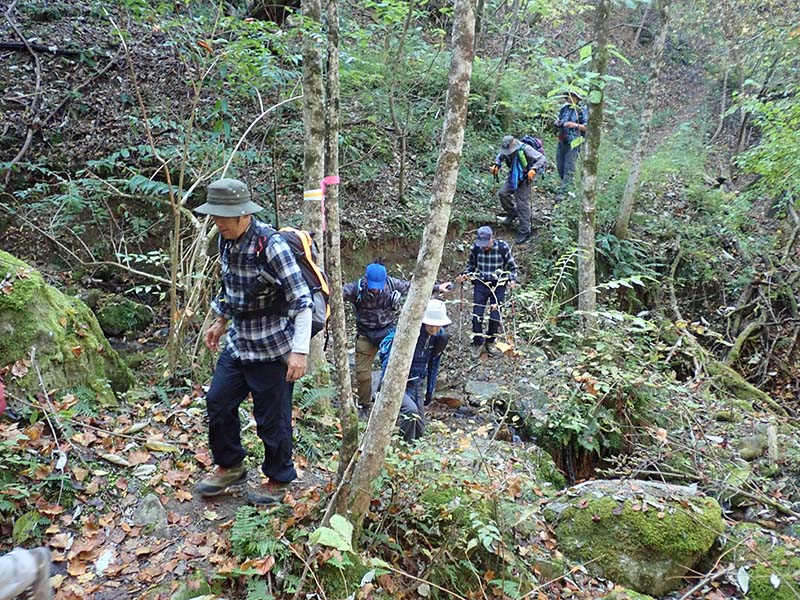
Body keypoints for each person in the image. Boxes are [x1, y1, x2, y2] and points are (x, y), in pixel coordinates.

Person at [193, 178, 313, 505]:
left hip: (273, 348)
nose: (217, 223)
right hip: (239, 343)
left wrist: (299, 353)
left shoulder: (271, 246)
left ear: (244, 214)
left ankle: (279, 479)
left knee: (271, 420)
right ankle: (230, 466)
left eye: (223, 217)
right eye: (214, 216)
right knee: (218, 402)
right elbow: (231, 286)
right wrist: (220, 320)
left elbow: (302, 300)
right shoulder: (226, 240)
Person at [343, 263, 451, 410]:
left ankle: (388, 402)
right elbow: (335, 295)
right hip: (365, 335)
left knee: (391, 369)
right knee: (363, 375)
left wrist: (438, 288)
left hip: (387, 333)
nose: (375, 289)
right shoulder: (356, 288)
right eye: (372, 285)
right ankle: (365, 405)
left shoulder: (392, 284)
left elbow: (414, 288)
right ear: (366, 280)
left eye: (378, 285)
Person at [377, 299, 451, 443]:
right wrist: (385, 385)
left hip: (417, 382)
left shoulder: (439, 338)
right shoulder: (409, 334)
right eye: (432, 325)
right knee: (410, 411)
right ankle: (404, 447)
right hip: (397, 381)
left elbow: (434, 364)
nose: (435, 329)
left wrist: (430, 391)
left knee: (419, 428)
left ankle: (412, 449)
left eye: (438, 326)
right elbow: (390, 361)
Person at [456, 226, 518, 359]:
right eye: (482, 244)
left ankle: (490, 342)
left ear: (492, 239)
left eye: (486, 244)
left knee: (495, 316)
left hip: (498, 285)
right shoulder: (476, 248)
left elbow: (512, 268)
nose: (484, 247)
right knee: (476, 316)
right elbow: (471, 266)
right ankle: (478, 343)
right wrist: (465, 275)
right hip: (481, 284)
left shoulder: (502, 247)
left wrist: (512, 279)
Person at [490, 135, 547, 245]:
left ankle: (524, 230)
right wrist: (497, 164)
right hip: (514, 175)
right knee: (503, 193)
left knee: (522, 203)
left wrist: (534, 169)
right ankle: (512, 212)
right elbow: (500, 155)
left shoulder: (525, 149)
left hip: (525, 176)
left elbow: (541, 158)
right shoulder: (506, 148)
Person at [554, 90, 589, 201]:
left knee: (569, 167)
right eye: (568, 96)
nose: (569, 98)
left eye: (572, 96)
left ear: (576, 98)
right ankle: (568, 187)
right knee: (560, 166)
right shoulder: (564, 108)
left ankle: (563, 194)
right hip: (562, 140)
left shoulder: (582, 110)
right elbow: (560, 120)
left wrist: (574, 125)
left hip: (574, 142)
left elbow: (587, 127)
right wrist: (558, 123)